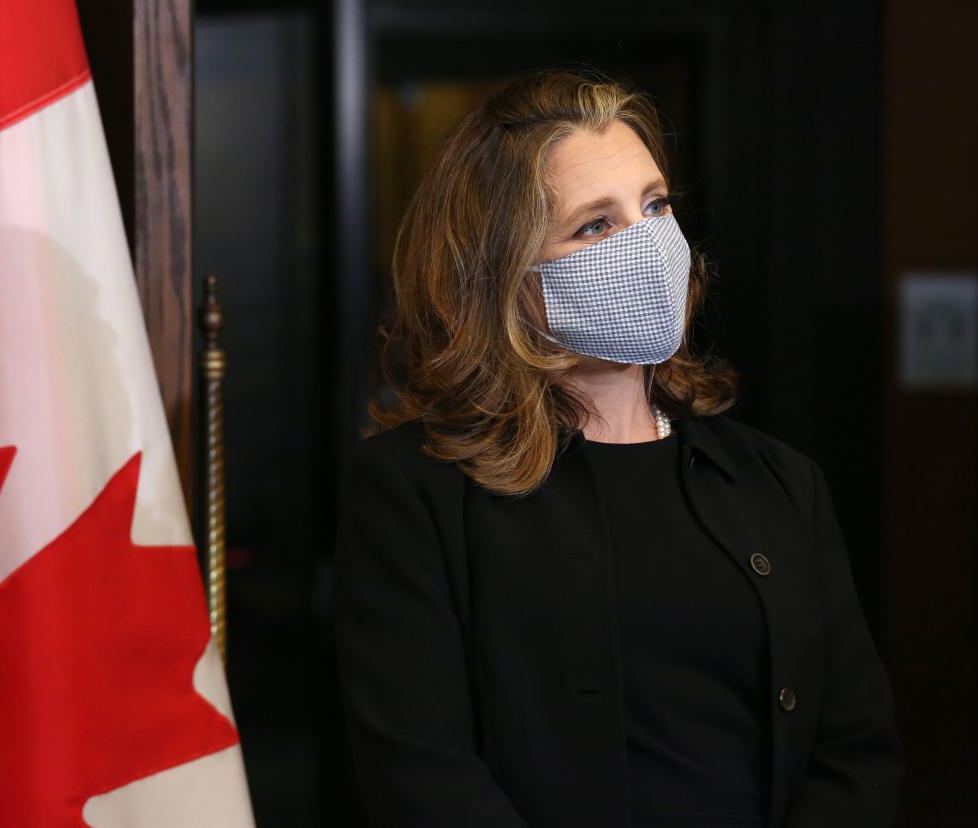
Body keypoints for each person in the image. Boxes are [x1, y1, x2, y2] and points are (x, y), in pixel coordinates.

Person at [331, 69, 904, 828]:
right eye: (595, 226)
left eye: (656, 204)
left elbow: (856, 747)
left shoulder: (778, 481)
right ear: (505, 277)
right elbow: (422, 773)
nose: (649, 246)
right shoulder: (414, 492)